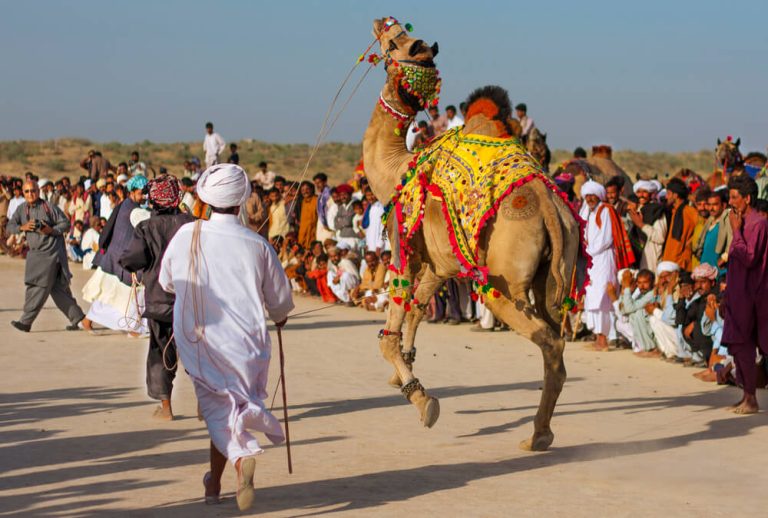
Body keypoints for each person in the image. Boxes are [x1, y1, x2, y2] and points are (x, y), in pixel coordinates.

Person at [158, 163, 293, 510]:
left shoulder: (188, 235)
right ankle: (214, 485)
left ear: (205, 199)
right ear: (242, 200)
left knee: (220, 412)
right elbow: (280, 303)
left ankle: (240, 458)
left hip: (203, 343)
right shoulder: (257, 244)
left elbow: (167, 282)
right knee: (225, 411)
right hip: (248, 346)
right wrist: (279, 317)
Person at [121, 175, 193, 421]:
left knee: (161, 351)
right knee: (198, 352)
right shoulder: (192, 223)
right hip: (193, 301)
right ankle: (205, 406)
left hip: (160, 300)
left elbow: (132, 259)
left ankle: (166, 409)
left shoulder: (146, 227)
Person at [7, 180, 88, 332]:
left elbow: (65, 224)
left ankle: (26, 322)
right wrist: (22, 227)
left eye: (33, 191)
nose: (30, 194)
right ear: (23, 193)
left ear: (38, 191)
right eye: (27, 191)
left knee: (38, 286)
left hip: (52, 254)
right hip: (35, 254)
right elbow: (10, 227)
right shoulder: (21, 209)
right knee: (58, 289)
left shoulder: (48, 207)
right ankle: (80, 318)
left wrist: (50, 230)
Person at [721, 175, 768, 414]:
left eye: (734, 197)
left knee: (755, 345)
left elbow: (749, 258)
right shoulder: (740, 221)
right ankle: (747, 396)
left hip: (753, 296)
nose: (730, 202)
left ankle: (751, 399)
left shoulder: (757, 224)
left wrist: (737, 232)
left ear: (748, 198)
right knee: (741, 346)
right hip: (738, 295)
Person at [82, 175, 150, 335]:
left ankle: (88, 320)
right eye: (141, 193)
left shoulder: (127, 204)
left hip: (117, 257)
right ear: (132, 192)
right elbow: (147, 221)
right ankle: (133, 328)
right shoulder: (133, 210)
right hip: (121, 259)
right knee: (131, 293)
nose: (144, 197)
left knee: (110, 294)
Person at [579, 181, 617, 351]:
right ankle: (597, 337)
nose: (590, 199)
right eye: (587, 196)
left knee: (602, 298)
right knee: (592, 295)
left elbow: (606, 238)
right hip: (592, 260)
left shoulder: (605, 210)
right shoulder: (590, 212)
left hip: (602, 258)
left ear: (599, 195)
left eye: (592, 195)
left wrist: (589, 250)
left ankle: (604, 339)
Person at [627, 180, 667, 272]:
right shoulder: (639, 210)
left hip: (651, 259)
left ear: (651, 194)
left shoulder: (657, 211)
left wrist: (641, 225)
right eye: (638, 192)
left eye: (645, 192)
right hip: (638, 257)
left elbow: (660, 237)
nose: (641, 195)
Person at [662, 178, 698, 270]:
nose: (666, 197)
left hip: (681, 263)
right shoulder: (674, 211)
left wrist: (689, 244)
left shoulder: (689, 211)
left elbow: (702, 228)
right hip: (669, 261)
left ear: (675, 195)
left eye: (668, 194)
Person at [694, 189, 731, 271]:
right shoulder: (709, 221)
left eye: (715, 204)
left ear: (723, 205)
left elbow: (732, 241)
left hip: (719, 271)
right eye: (709, 204)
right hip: (705, 270)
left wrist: (724, 258)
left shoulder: (727, 220)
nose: (711, 208)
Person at [333, 184, 357, 250]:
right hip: (342, 236)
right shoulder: (341, 207)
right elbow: (335, 223)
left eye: (345, 194)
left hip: (352, 237)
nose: (343, 197)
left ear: (350, 195)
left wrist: (340, 220)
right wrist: (343, 221)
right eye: (340, 195)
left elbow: (348, 221)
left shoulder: (354, 205)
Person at [297, 181, 318, 249]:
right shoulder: (303, 202)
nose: (305, 192)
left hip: (314, 231)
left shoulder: (317, 200)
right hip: (303, 232)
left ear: (312, 189)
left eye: (307, 189)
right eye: (302, 190)